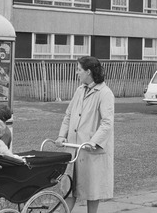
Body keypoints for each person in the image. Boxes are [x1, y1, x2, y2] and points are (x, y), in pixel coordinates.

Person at [55, 56, 114, 213]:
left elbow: (107, 123)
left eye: (79, 70)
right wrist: (62, 136)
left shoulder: (104, 93)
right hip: (74, 148)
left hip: (89, 150)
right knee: (69, 186)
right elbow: (68, 115)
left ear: (88, 72)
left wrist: (92, 142)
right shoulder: (79, 90)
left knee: (92, 190)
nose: (76, 73)